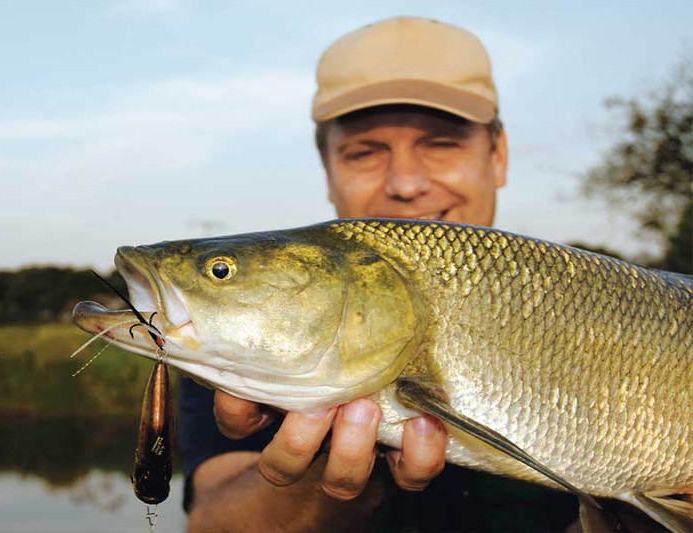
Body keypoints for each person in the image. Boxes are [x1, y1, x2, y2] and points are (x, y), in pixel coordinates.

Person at [179, 17, 580, 532]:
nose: (407, 184)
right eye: (365, 152)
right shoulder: (248, 334)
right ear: (328, 170)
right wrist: (330, 458)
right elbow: (213, 522)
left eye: (441, 143)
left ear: (497, 156)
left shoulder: (602, 298)